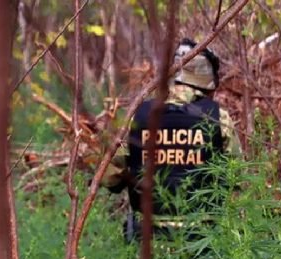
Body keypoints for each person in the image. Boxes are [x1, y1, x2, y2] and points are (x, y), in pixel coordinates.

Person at [103, 39, 241, 245]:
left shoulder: (138, 116)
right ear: (206, 79)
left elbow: (110, 179)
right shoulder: (219, 119)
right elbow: (236, 179)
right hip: (203, 240)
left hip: (147, 238)